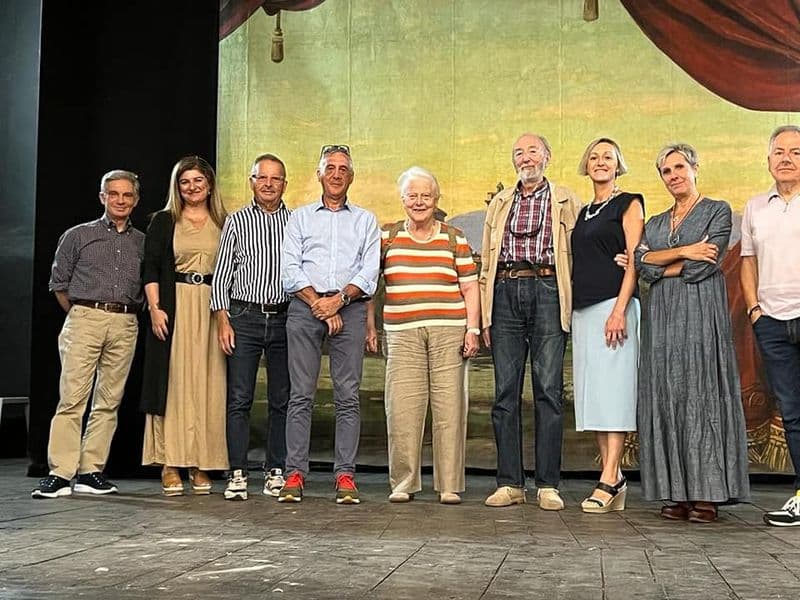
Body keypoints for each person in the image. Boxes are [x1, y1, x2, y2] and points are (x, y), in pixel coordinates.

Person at [635, 143, 749, 523]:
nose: (674, 176)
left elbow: (706, 265)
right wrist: (682, 252)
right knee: (668, 395)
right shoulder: (654, 222)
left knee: (701, 394)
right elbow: (641, 267)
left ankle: (707, 494)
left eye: (679, 167)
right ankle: (676, 493)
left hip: (701, 315)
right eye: (666, 171)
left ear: (695, 167)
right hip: (662, 321)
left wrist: (658, 260)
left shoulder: (717, 211)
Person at [479, 133, 581, 509]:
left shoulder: (567, 200)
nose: (526, 157)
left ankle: (548, 485)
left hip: (549, 289)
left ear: (548, 157)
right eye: (519, 152)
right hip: (505, 291)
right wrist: (486, 312)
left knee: (548, 391)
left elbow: (581, 251)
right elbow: (487, 262)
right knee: (505, 392)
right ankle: (509, 483)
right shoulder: (501, 202)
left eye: (533, 151)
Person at [32, 170, 144, 499]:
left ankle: (91, 470)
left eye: (127, 195)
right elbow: (59, 284)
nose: (120, 200)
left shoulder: (142, 242)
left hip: (125, 322)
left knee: (109, 400)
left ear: (135, 200)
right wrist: (83, 315)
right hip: (84, 317)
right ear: (102, 197)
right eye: (113, 194)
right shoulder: (78, 236)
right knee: (72, 399)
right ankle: (60, 472)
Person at [279, 145, 380, 504]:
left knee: (348, 396)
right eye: (330, 168)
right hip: (305, 307)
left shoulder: (365, 220)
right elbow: (290, 267)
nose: (336, 174)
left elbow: (370, 271)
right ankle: (294, 474)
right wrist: (319, 303)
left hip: (349, 308)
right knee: (301, 395)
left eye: (343, 169)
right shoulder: (301, 218)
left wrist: (338, 300)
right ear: (319, 174)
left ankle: (345, 476)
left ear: (351, 176)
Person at [373, 166, 480, 505]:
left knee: (450, 408)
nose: (419, 201)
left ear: (436, 200)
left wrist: (473, 328)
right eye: (413, 195)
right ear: (403, 199)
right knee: (402, 408)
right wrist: (368, 327)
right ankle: (403, 482)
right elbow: (368, 286)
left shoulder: (454, 237)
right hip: (401, 333)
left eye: (426, 196)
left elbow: (470, 286)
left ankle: (448, 485)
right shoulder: (387, 238)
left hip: (449, 330)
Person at [140, 156, 229, 495]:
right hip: (174, 306)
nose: (192, 187)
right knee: (175, 384)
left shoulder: (223, 221)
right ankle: (170, 462)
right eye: (184, 182)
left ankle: (200, 463)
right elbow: (150, 267)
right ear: (177, 187)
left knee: (209, 385)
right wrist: (155, 308)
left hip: (212, 307)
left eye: (197, 181)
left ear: (209, 184)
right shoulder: (164, 221)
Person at [211, 153, 292, 501]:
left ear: (284, 184)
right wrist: (222, 320)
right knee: (239, 398)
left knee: (281, 399)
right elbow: (221, 274)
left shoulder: (298, 221)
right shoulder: (237, 221)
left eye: (275, 178)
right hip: (243, 318)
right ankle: (238, 472)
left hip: (286, 318)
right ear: (252, 181)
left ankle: (276, 470)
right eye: (262, 177)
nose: (269, 184)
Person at [571, 138, 644, 513]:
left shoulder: (629, 202)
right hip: (584, 311)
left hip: (614, 308)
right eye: (594, 157)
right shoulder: (584, 212)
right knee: (596, 395)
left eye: (608, 158)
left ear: (618, 165)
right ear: (587, 166)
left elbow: (634, 258)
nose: (600, 162)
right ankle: (612, 477)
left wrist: (619, 309)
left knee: (614, 391)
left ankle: (609, 476)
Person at [741, 125, 800, 526]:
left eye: (795, 152)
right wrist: (754, 310)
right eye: (778, 152)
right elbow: (748, 260)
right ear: (767, 161)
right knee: (793, 413)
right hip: (772, 323)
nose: (786, 158)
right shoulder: (755, 207)